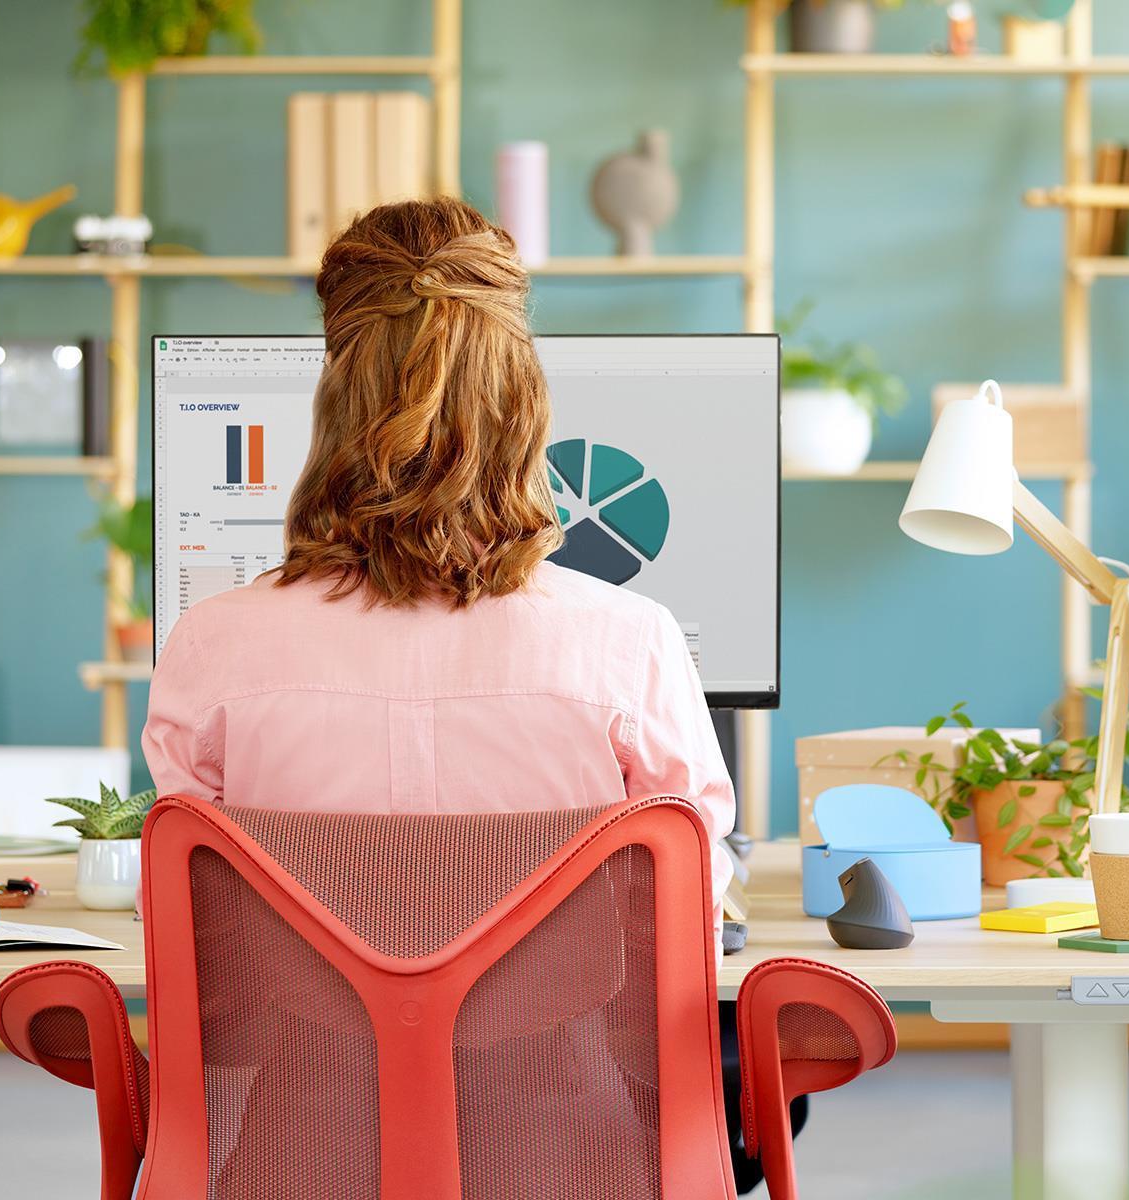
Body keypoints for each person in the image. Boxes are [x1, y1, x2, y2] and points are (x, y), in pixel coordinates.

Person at [141, 196, 787, 1190]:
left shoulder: (213, 645)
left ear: (334, 400)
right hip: (566, 1151)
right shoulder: (631, 643)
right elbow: (684, 919)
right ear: (524, 400)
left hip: (304, 1149)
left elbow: (205, 939)